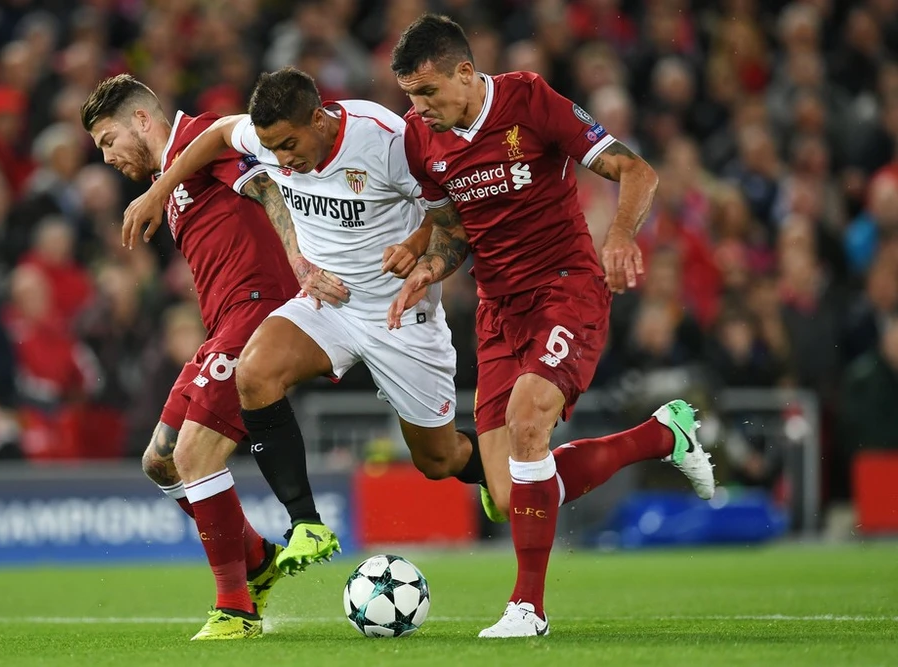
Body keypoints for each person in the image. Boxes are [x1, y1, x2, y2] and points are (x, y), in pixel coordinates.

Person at [388, 14, 716, 638]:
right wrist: (427, 268)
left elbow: (636, 169)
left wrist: (619, 234)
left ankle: (527, 609)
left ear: (465, 72)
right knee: (512, 494)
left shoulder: (529, 100)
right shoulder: (418, 139)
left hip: (565, 290)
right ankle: (661, 435)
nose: (420, 109)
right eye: (410, 97)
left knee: (529, 420)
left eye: (428, 93)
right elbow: (455, 231)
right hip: (497, 311)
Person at [122, 67, 488, 574]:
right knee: (255, 372)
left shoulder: (385, 140)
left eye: (290, 144)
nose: (284, 159)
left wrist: (418, 253)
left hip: (399, 312)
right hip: (327, 302)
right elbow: (216, 134)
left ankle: (489, 469)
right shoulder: (268, 139)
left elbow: (453, 215)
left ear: (319, 118)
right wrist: (160, 191)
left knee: (437, 458)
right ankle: (306, 524)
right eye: (272, 148)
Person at [80, 74, 298, 640]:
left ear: (142, 121)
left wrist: (301, 264)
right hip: (223, 324)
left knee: (197, 454)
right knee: (161, 461)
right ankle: (255, 559)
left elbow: (265, 186)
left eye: (108, 140)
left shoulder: (203, 139)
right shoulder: (167, 180)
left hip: (257, 312)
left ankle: (236, 609)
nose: (107, 157)